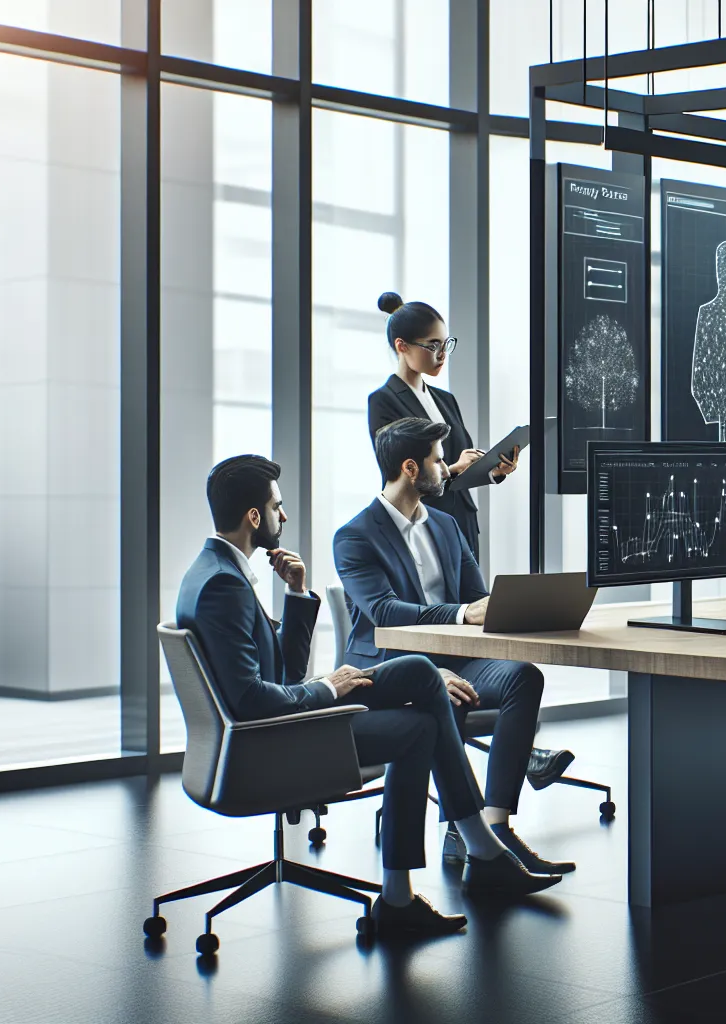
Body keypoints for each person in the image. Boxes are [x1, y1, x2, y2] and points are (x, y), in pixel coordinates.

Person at [175, 456, 560, 935]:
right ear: (254, 517)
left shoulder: (215, 572)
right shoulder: (223, 586)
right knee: (420, 715)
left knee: (420, 682)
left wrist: (296, 594)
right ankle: (465, 859)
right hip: (269, 745)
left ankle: (444, 872)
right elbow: (251, 700)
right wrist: (327, 687)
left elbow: (281, 672)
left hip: (276, 724)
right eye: (277, 507)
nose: (284, 515)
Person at [335, 417, 575, 877]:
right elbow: (384, 610)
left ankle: (496, 828)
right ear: (411, 469)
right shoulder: (355, 535)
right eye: (438, 461)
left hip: (456, 658)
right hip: (394, 666)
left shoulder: (446, 525)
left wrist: (515, 609)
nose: (446, 469)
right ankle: (463, 836)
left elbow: (477, 597)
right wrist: (462, 615)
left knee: (524, 676)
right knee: (445, 697)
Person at [367, 292, 517, 560]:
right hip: (422, 524)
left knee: (472, 590)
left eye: (446, 344)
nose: (443, 354)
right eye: (433, 345)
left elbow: (460, 468)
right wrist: (455, 467)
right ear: (402, 346)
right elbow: (401, 473)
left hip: (462, 524)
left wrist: (493, 470)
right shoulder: (383, 400)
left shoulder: (445, 400)